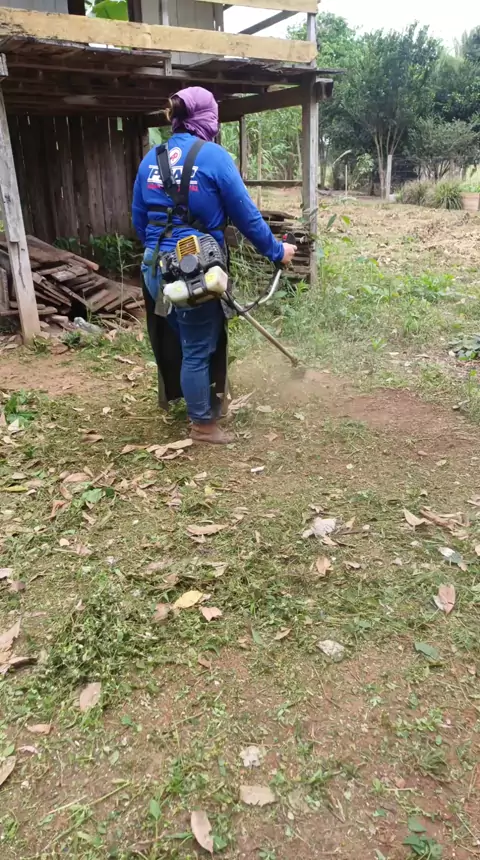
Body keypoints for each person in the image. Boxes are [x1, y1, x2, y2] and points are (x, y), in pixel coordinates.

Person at [132, 86, 296, 444]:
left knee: (183, 338)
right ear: (208, 119)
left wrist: (164, 249)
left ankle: (200, 402)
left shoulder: (150, 159)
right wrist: (277, 251)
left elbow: (139, 221)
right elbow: (247, 217)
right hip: (196, 270)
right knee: (196, 347)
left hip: (155, 267)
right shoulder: (214, 157)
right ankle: (203, 425)